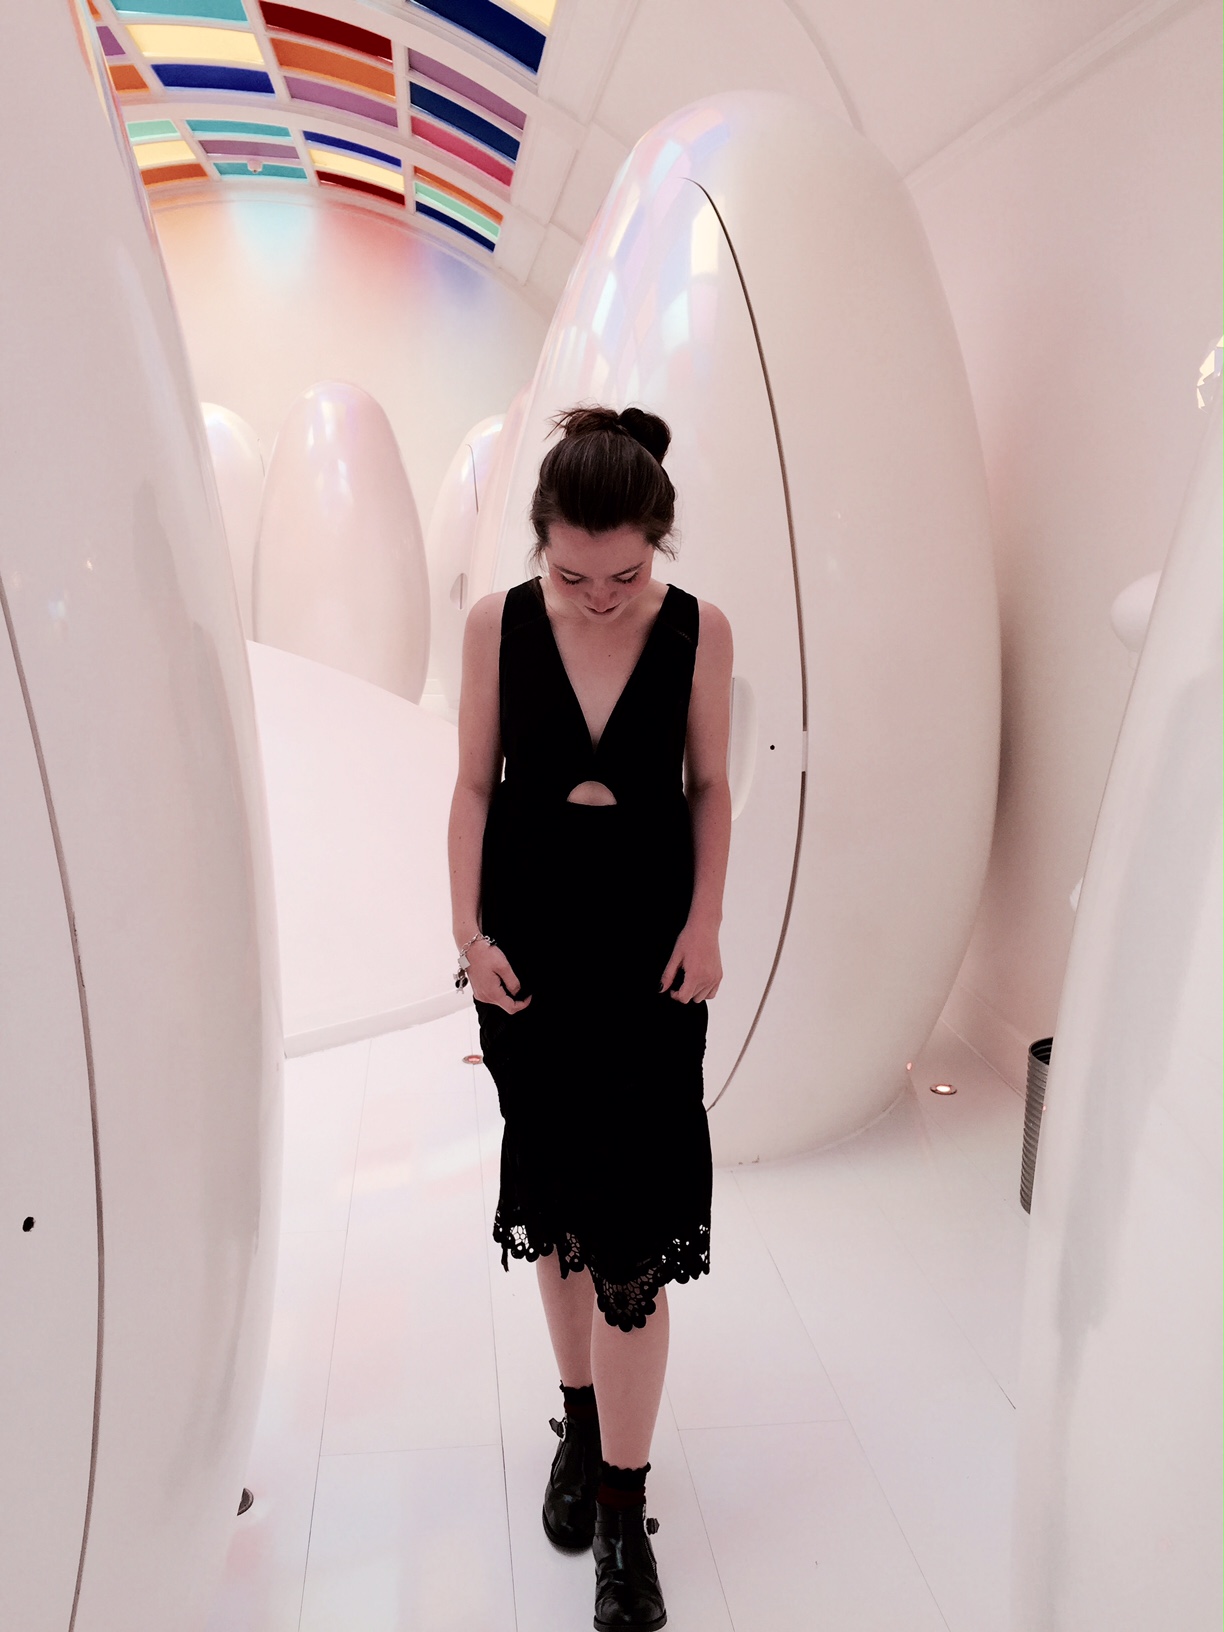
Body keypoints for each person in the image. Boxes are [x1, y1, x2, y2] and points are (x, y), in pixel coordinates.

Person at [448, 404, 732, 1631]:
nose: (601, 597)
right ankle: (579, 1424)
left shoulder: (701, 632)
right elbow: (472, 786)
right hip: (534, 950)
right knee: (560, 1211)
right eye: (573, 576)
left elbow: (711, 786)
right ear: (542, 543)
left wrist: (707, 922)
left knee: (635, 1241)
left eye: (625, 575)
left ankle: (624, 1510)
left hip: (650, 955)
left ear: (656, 543)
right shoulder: (497, 626)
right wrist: (468, 937)